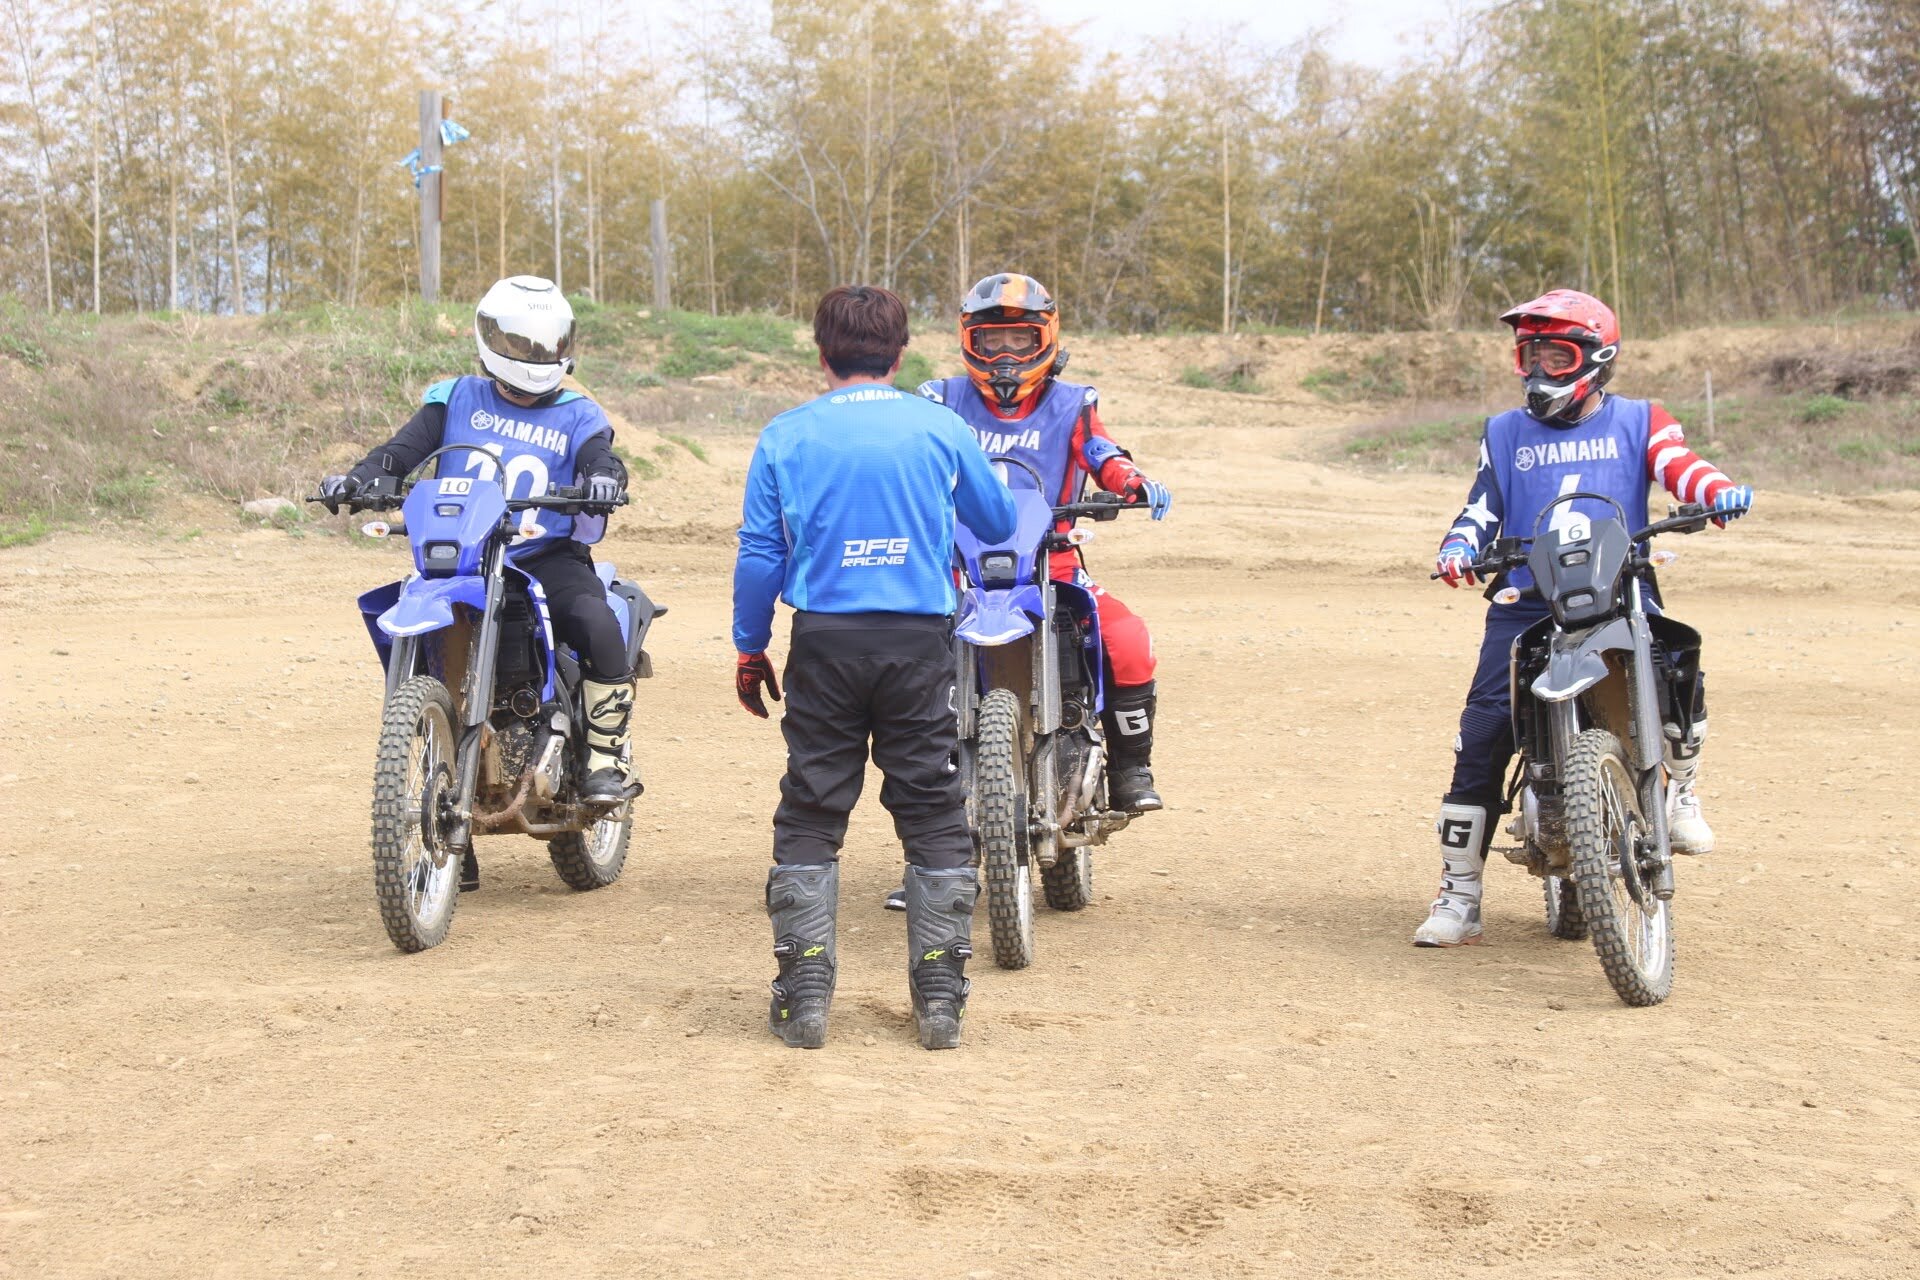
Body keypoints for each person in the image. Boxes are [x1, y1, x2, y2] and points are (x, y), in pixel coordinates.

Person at [1414, 288, 1753, 947]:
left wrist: (1714, 493)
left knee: (1677, 662)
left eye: (1555, 354)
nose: (1539, 370)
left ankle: (1679, 791)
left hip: (1619, 587)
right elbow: (1482, 508)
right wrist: (1458, 548)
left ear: (1597, 359)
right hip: (1526, 601)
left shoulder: (1642, 420)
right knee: (1482, 735)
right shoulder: (1503, 433)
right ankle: (1459, 894)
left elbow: (1683, 468)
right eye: (1528, 355)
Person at [733, 284, 1016, 1050]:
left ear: (822, 353)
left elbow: (762, 551)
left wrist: (749, 643)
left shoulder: (786, 434)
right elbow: (995, 520)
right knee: (930, 802)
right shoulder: (939, 426)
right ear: (899, 354)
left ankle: (806, 995)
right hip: (918, 638)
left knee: (813, 806)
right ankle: (939, 999)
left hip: (824, 639)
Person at [320, 276, 638, 868]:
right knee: (416, 639)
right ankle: (436, 781)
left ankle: (605, 757)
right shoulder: (455, 397)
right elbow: (400, 452)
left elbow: (601, 457)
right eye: (522, 343)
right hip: (462, 556)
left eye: (547, 345)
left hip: (544, 557)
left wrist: (604, 479)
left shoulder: (580, 413)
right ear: (491, 339)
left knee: (596, 620)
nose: (535, 357)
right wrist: (363, 478)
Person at [880, 272, 1173, 913]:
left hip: (1053, 565)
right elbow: (908, 450)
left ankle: (1129, 767)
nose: (1008, 354)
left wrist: (1128, 478)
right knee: (907, 675)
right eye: (994, 338)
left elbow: (1098, 450)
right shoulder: (939, 398)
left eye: (1021, 337)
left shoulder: (1073, 402)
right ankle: (928, 855)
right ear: (969, 340)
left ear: (1047, 335)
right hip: (956, 571)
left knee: (1127, 639)